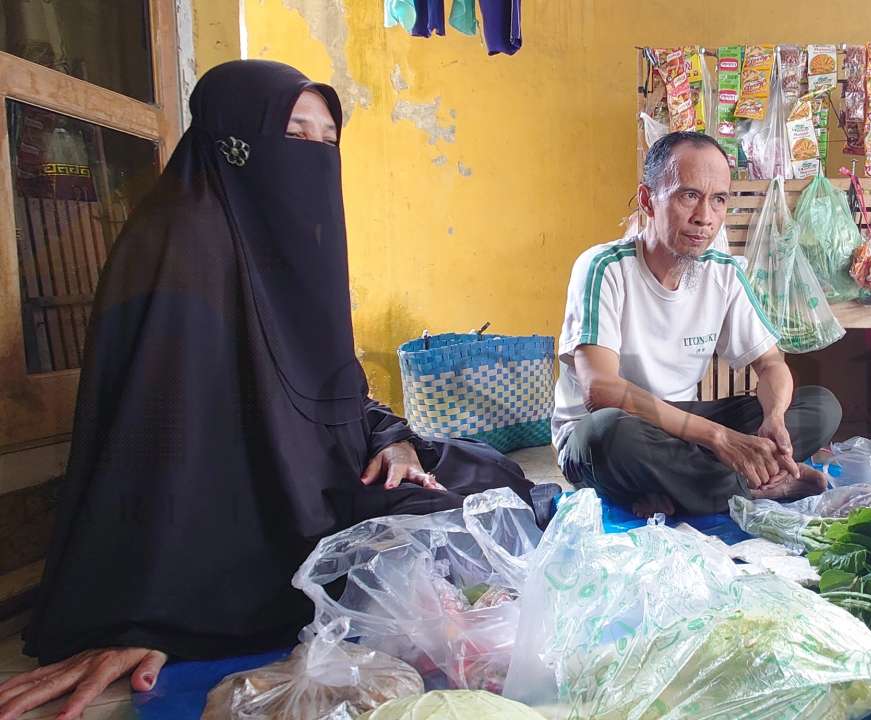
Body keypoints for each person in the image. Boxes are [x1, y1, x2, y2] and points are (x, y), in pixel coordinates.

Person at [0, 60, 536, 720]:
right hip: (244, 520)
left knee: (484, 476)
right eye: (292, 134)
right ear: (231, 141)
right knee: (427, 539)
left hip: (310, 475)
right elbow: (159, 448)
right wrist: (146, 611)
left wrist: (396, 444)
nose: (311, 158)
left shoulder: (282, 244)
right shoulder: (183, 245)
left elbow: (331, 395)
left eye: (326, 141)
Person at [553, 131, 841, 518]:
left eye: (718, 200)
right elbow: (600, 389)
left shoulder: (722, 273)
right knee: (606, 436)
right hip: (617, 429)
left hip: (683, 425)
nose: (705, 217)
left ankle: (684, 488)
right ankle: (752, 487)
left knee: (821, 406)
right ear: (647, 201)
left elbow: (771, 364)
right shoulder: (604, 268)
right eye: (688, 195)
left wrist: (773, 418)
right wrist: (718, 438)